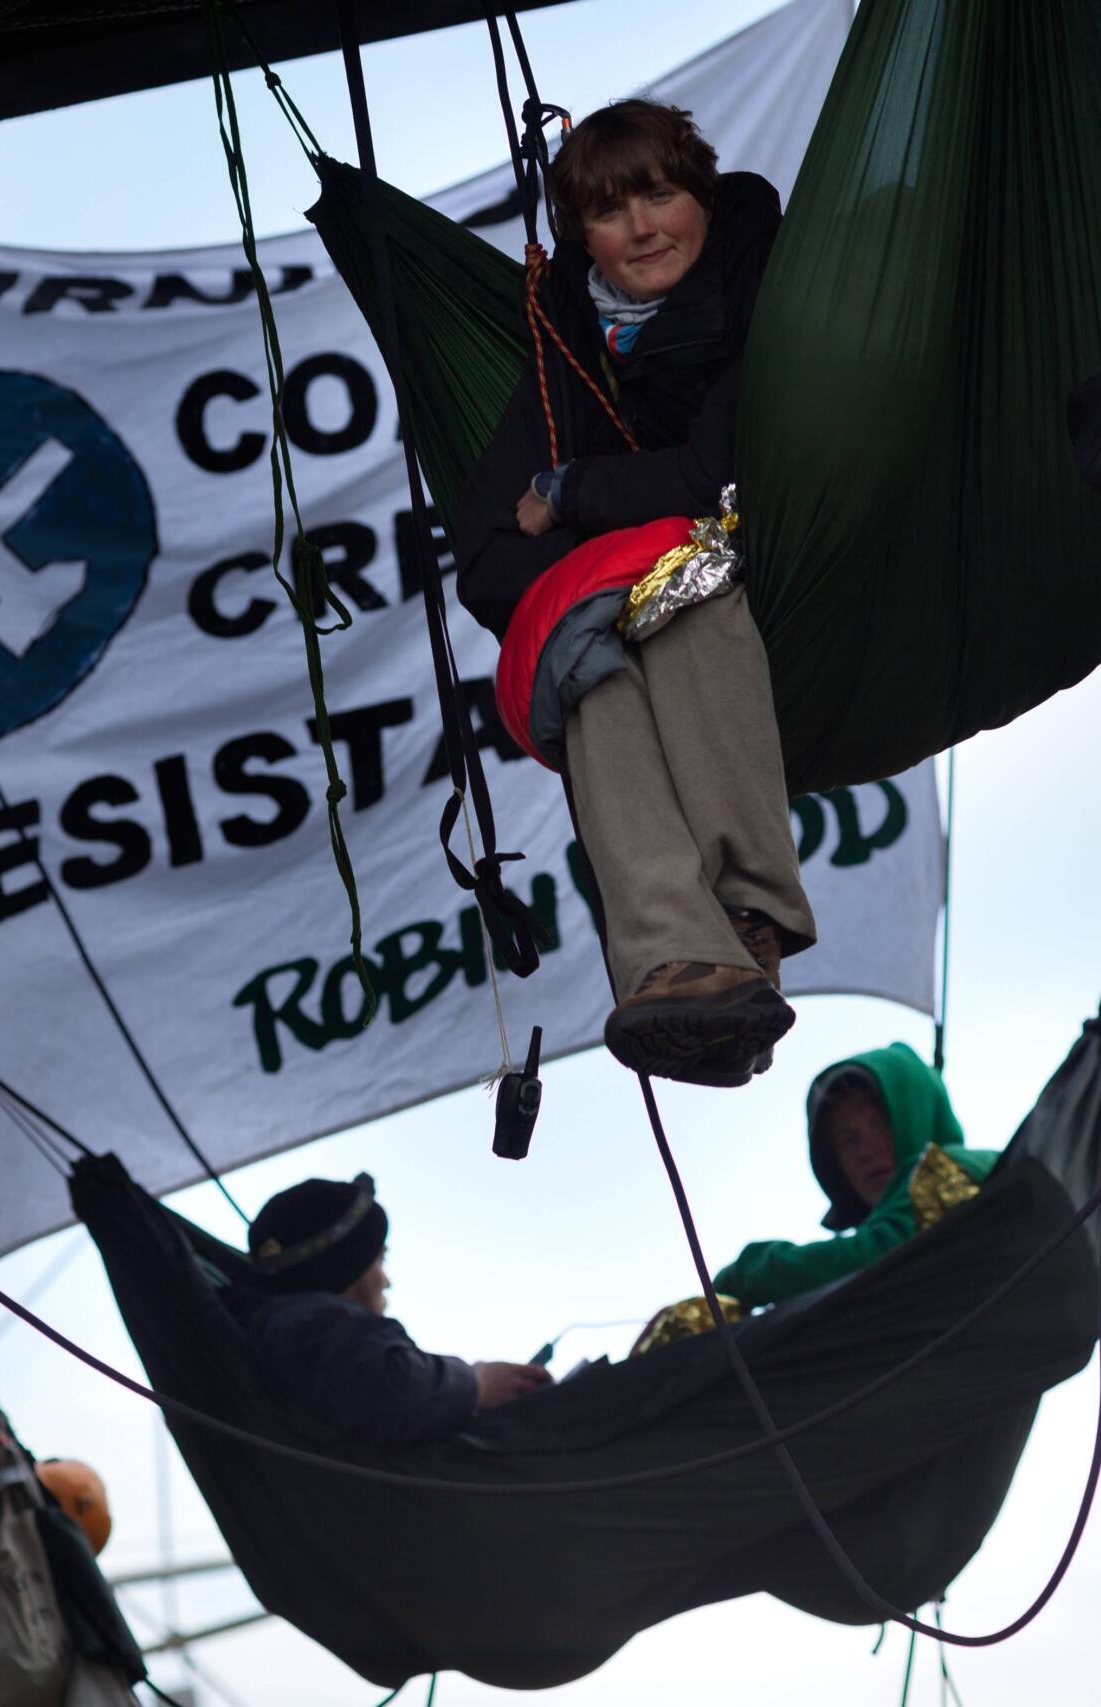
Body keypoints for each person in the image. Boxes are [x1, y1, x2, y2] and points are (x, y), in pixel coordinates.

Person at [453, 98, 813, 1090]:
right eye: (612, 213)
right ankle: (668, 960)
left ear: (700, 197)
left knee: (678, 590)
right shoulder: (564, 354)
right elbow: (485, 547)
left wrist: (576, 497)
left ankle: (745, 916)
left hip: (768, 580)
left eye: (660, 196)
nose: (643, 227)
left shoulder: (771, 295)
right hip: (641, 609)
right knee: (589, 665)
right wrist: (584, 583)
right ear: (583, 239)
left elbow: (716, 468)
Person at [229, 1175, 549, 1444]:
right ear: (344, 1267)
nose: (387, 1281)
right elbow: (391, 1390)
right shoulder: (305, 1329)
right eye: (380, 1260)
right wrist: (476, 1385)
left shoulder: (286, 1330)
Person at [711, 1044, 1000, 1307]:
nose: (865, 1151)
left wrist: (748, 1273)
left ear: (915, 1114)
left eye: (878, 1126)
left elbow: (875, 1255)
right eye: (849, 1140)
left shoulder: (955, 1168)